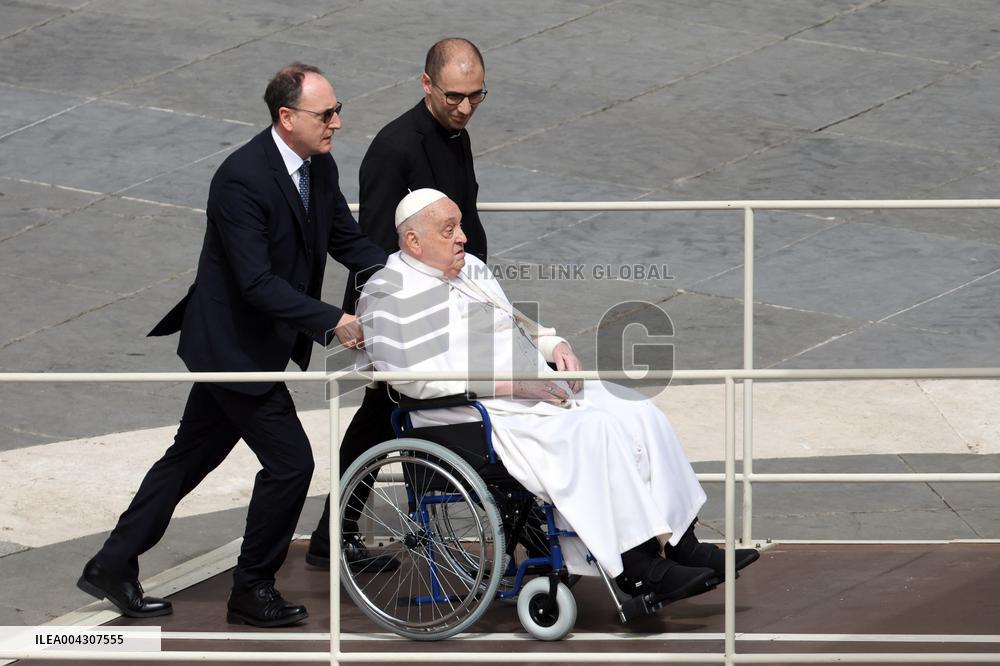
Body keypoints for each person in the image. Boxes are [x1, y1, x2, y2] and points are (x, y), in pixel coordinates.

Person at [76, 63, 387, 628]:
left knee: (190, 456)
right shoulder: (241, 178)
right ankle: (251, 590)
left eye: (337, 110)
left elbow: (347, 239)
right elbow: (254, 282)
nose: (338, 122)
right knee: (291, 465)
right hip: (232, 349)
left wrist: (411, 276)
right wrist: (333, 321)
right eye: (327, 113)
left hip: (256, 343)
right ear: (286, 117)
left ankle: (112, 562)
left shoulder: (318, 166)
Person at [355, 189, 759, 601]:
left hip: (520, 391)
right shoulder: (387, 291)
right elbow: (410, 380)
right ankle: (637, 567)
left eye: (460, 226)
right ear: (413, 242)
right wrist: (513, 385)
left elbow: (514, 322)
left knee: (636, 410)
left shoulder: (470, 269)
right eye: (449, 230)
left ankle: (680, 541)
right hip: (464, 414)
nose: (463, 237)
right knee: (592, 428)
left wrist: (553, 346)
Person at [307, 37, 490, 570]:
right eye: (454, 96)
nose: (464, 108)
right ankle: (363, 533)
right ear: (426, 84)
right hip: (406, 316)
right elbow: (372, 247)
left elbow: (465, 222)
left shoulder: (455, 133)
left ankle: (334, 532)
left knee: (382, 421)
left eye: (476, 96)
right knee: (391, 419)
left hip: (447, 304)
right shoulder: (395, 147)